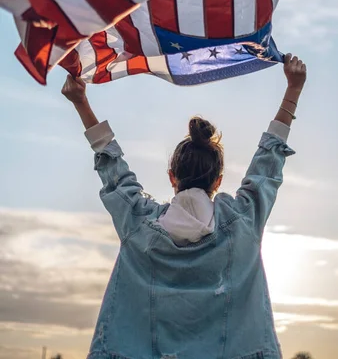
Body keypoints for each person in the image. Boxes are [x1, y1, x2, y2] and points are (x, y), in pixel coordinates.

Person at [62, 53, 306, 359]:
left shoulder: (137, 222)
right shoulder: (243, 220)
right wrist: (293, 88)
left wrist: (80, 102)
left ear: (171, 176)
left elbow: (113, 171)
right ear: (218, 181)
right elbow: (267, 164)